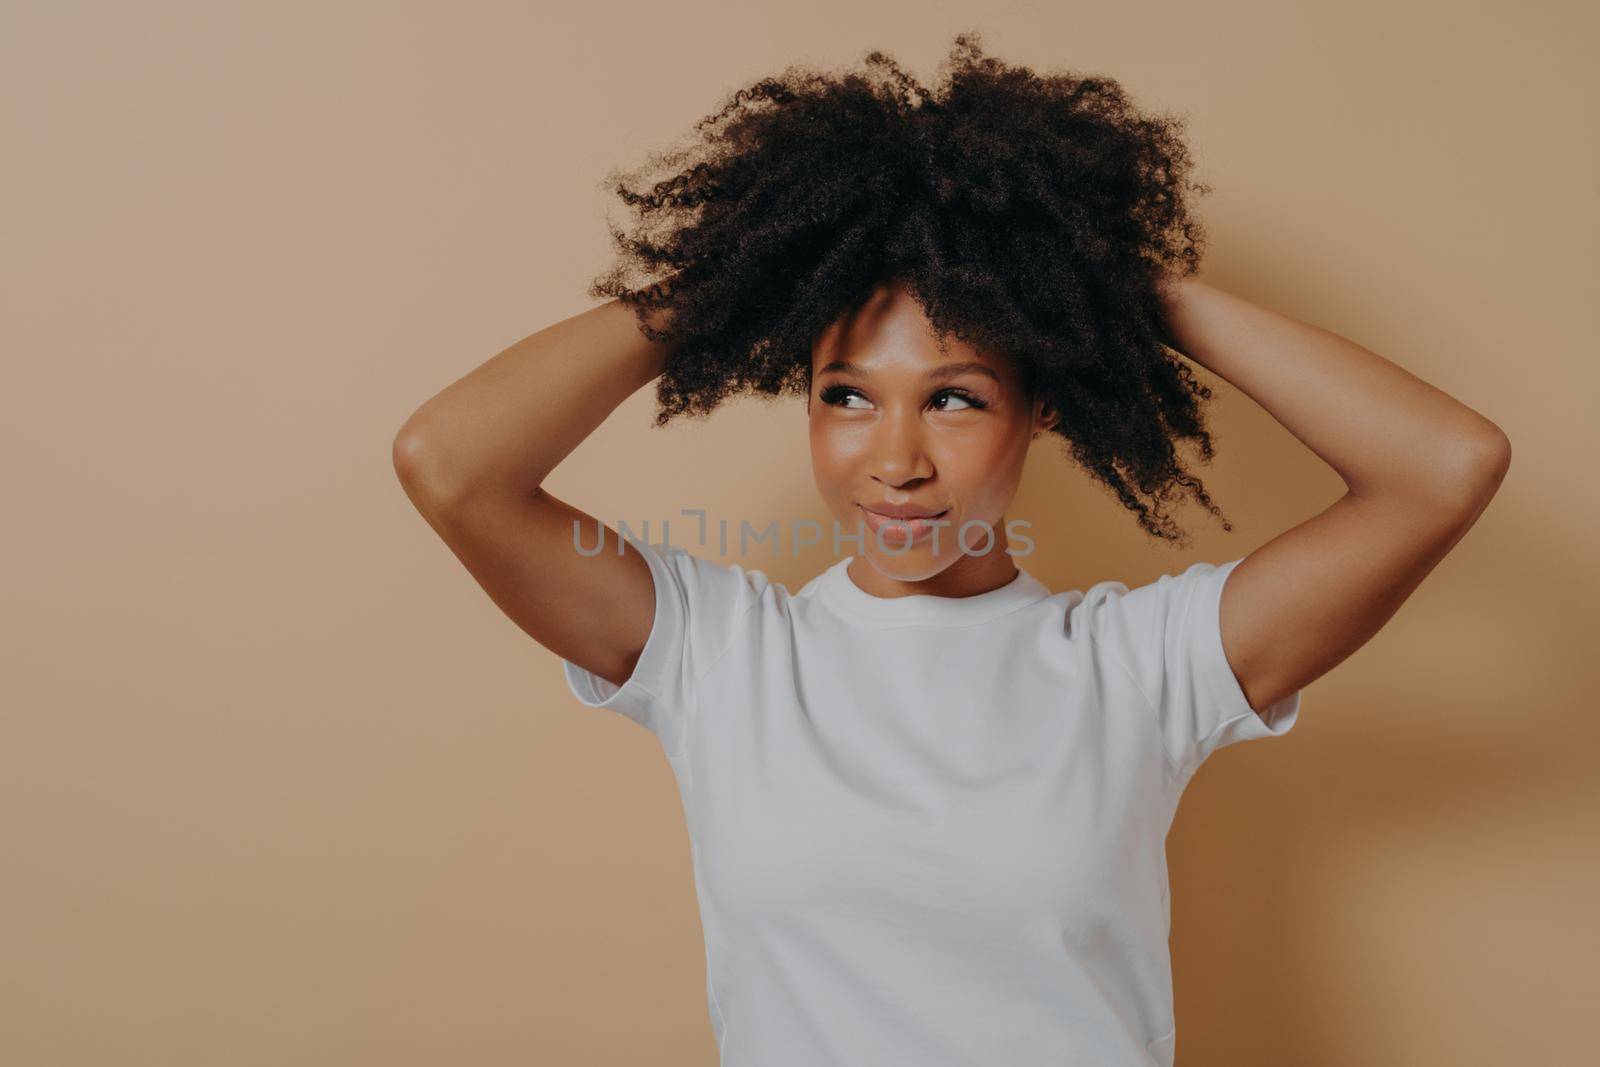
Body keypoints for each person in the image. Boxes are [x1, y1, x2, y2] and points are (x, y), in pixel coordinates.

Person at [391, 33, 1511, 1067]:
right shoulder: (718, 652)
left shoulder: (1143, 663)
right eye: (846, 395)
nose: (895, 457)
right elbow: (449, 462)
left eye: (957, 398)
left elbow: (1443, 465)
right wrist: (749, 271)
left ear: (1041, 409)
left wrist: (1107, 286)